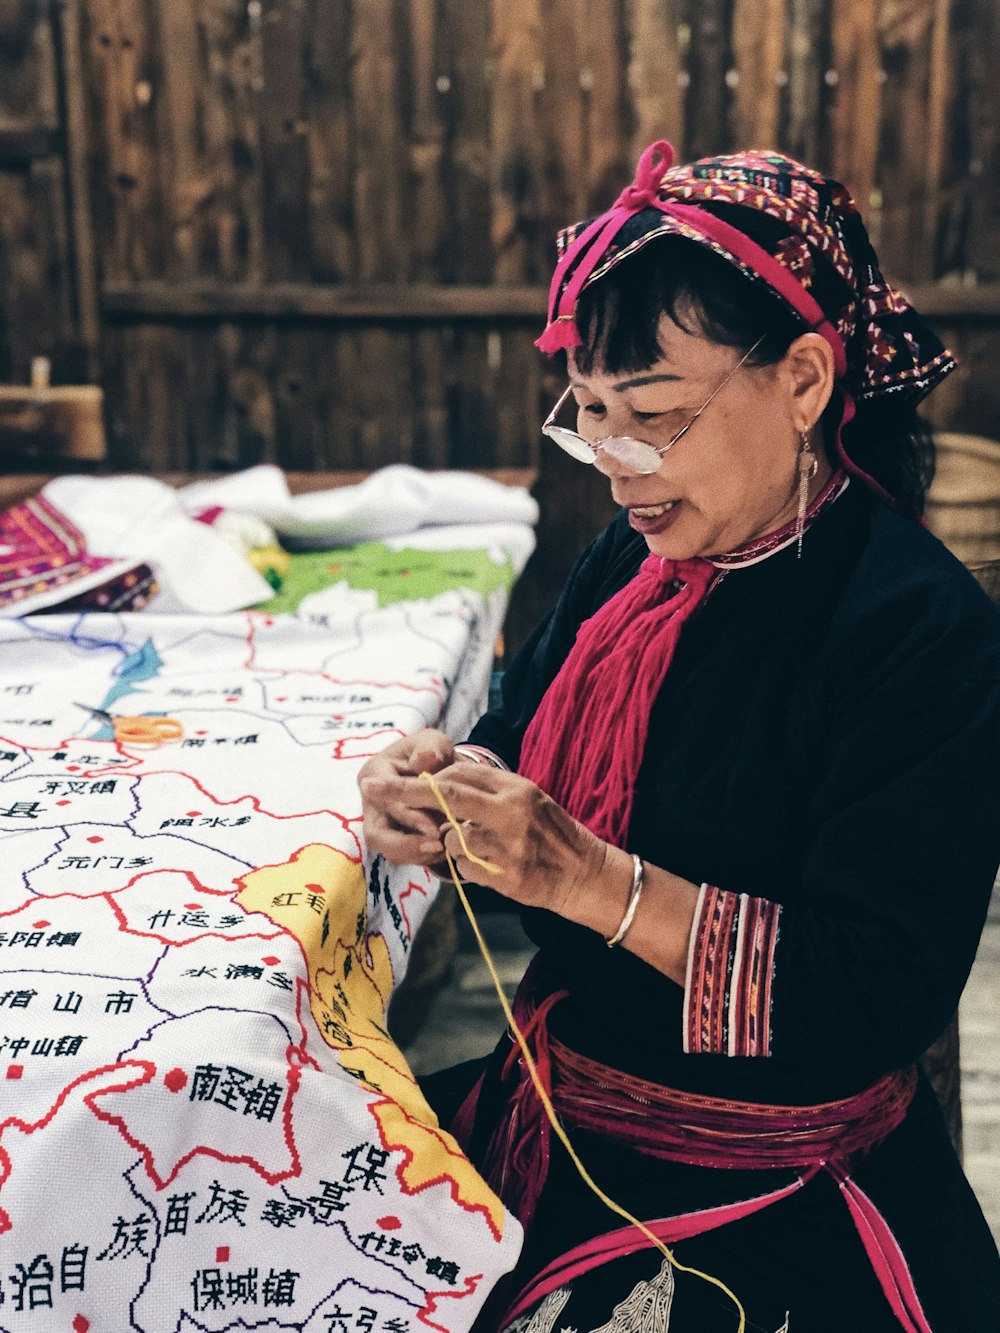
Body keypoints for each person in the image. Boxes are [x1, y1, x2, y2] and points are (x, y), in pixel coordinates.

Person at [359, 141, 1000, 1332]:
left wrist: (594, 881)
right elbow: (517, 734)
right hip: (559, 1110)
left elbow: (871, 990)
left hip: (768, 1185)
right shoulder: (640, 557)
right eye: (589, 417)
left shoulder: (921, 634)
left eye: (653, 415)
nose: (617, 466)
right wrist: (445, 788)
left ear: (804, 380)